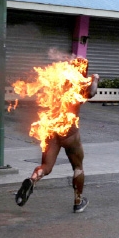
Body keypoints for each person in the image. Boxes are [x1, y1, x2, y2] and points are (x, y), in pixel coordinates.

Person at [15, 62, 99, 213]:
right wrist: (95, 79)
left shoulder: (55, 83)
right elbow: (91, 93)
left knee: (46, 167)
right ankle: (78, 202)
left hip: (51, 130)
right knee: (78, 166)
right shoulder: (77, 85)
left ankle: (33, 179)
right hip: (69, 133)